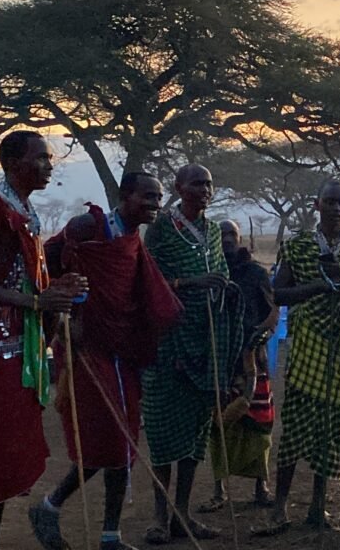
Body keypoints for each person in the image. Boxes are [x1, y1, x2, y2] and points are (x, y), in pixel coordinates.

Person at [30, 172, 183, 550]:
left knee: (125, 441)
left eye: (159, 198)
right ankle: (48, 506)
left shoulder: (132, 239)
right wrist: (67, 316)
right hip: (84, 348)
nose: (154, 204)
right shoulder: (88, 226)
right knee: (104, 438)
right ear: (125, 195)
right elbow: (45, 269)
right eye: (147, 197)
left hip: (121, 348)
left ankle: (110, 535)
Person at [0, 131, 87, 550]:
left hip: (17, 353)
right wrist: (36, 299)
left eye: (50, 159)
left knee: (3, 459)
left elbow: (30, 281)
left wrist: (57, 291)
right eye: (41, 158)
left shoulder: (23, 209)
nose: (50, 166)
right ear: (12, 163)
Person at [255, 180, 340, 536]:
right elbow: (280, 293)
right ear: (317, 205)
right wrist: (319, 286)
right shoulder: (300, 246)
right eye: (331, 202)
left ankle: (317, 508)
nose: (337, 209)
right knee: (294, 429)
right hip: (308, 346)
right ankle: (279, 508)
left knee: (332, 428)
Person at [142, 164, 245, 544]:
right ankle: (158, 516)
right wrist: (191, 282)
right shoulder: (162, 229)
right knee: (163, 433)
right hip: (168, 344)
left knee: (196, 434)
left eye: (209, 184)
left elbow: (219, 273)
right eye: (198, 183)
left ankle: (181, 514)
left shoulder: (214, 231)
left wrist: (225, 289)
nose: (205, 190)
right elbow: (147, 283)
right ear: (179, 187)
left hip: (206, 345)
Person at [196, 220, 279, 513]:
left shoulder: (256, 272)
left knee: (259, 423)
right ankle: (219, 490)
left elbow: (273, 310)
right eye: (223, 235)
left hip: (251, 359)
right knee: (218, 425)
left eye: (233, 234)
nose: (228, 239)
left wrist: (263, 335)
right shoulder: (210, 273)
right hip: (219, 360)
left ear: (241, 239)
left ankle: (261, 486)